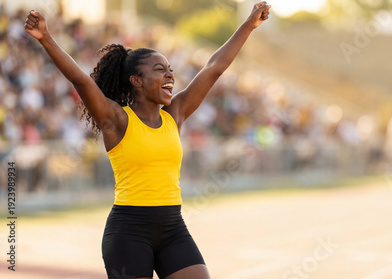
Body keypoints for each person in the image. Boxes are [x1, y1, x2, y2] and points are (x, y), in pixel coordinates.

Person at [24, 2, 271, 279]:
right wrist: (46, 38)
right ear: (137, 81)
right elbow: (81, 80)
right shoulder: (116, 120)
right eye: (159, 69)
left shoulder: (175, 114)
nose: (170, 75)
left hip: (173, 228)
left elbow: (214, 67)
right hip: (129, 231)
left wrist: (249, 25)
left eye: (170, 69)